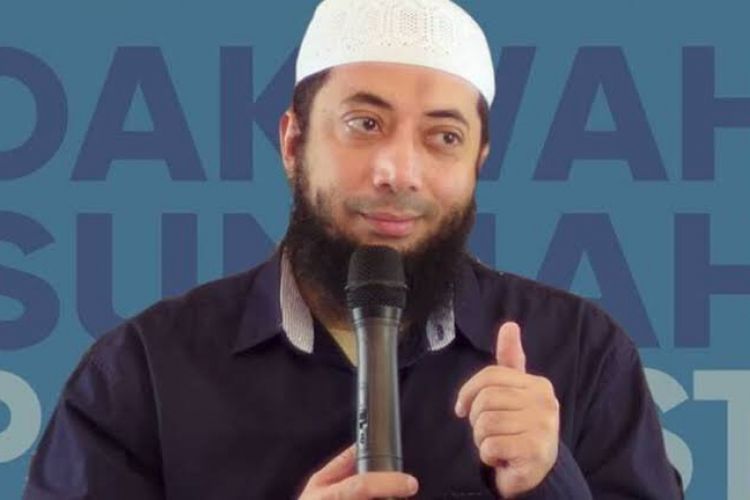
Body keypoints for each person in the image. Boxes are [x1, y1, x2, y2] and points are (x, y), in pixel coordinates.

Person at [24, 0, 683, 498]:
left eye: (443, 137)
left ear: (478, 161)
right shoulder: (142, 372)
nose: (400, 171)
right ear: (293, 142)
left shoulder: (582, 353)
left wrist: (550, 480)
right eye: (364, 124)